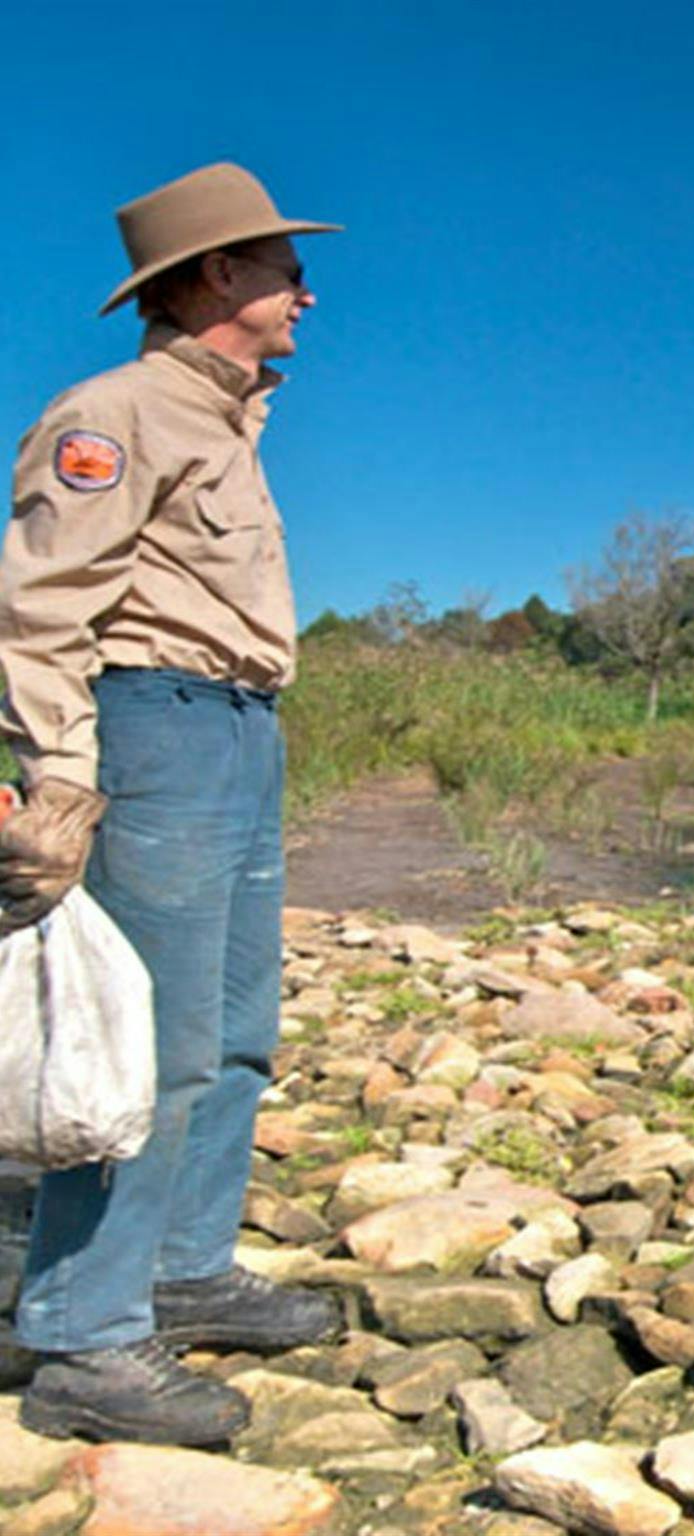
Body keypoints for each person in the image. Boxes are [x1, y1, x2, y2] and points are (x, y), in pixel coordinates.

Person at [0, 162, 343, 1445]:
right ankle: (86, 1337)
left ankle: (186, 1267)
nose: (305, 294)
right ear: (216, 277)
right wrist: (65, 773)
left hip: (241, 731)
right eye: (282, 270)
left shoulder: (221, 417)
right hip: (154, 728)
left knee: (237, 1033)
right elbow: (39, 605)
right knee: (146, 1047)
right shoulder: (114, 411)